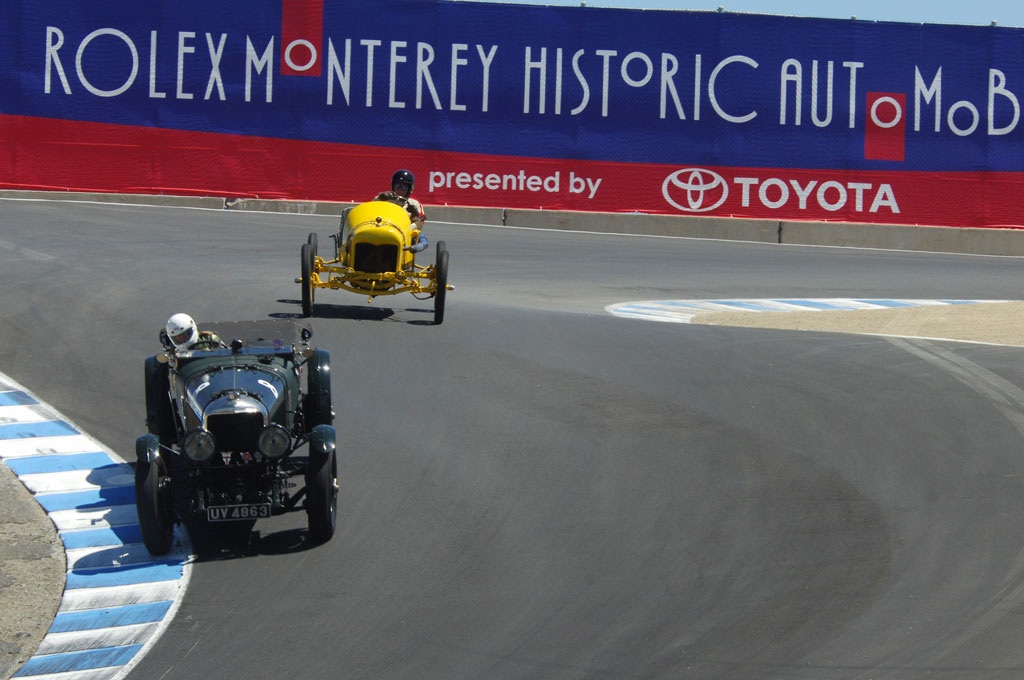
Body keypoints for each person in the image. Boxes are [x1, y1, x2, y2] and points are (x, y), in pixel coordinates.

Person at [375, 169, 429, 253]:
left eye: (403, 187)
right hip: (383, 228)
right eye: (398, 186)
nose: (400, 190)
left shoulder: (414, 203)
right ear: (393, 186)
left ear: (409, 189)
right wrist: (379, 198)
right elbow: (370, 208)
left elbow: (421, 220)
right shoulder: (384, 198)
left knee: (420, 237)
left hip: (404, 234)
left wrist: (410, 227)